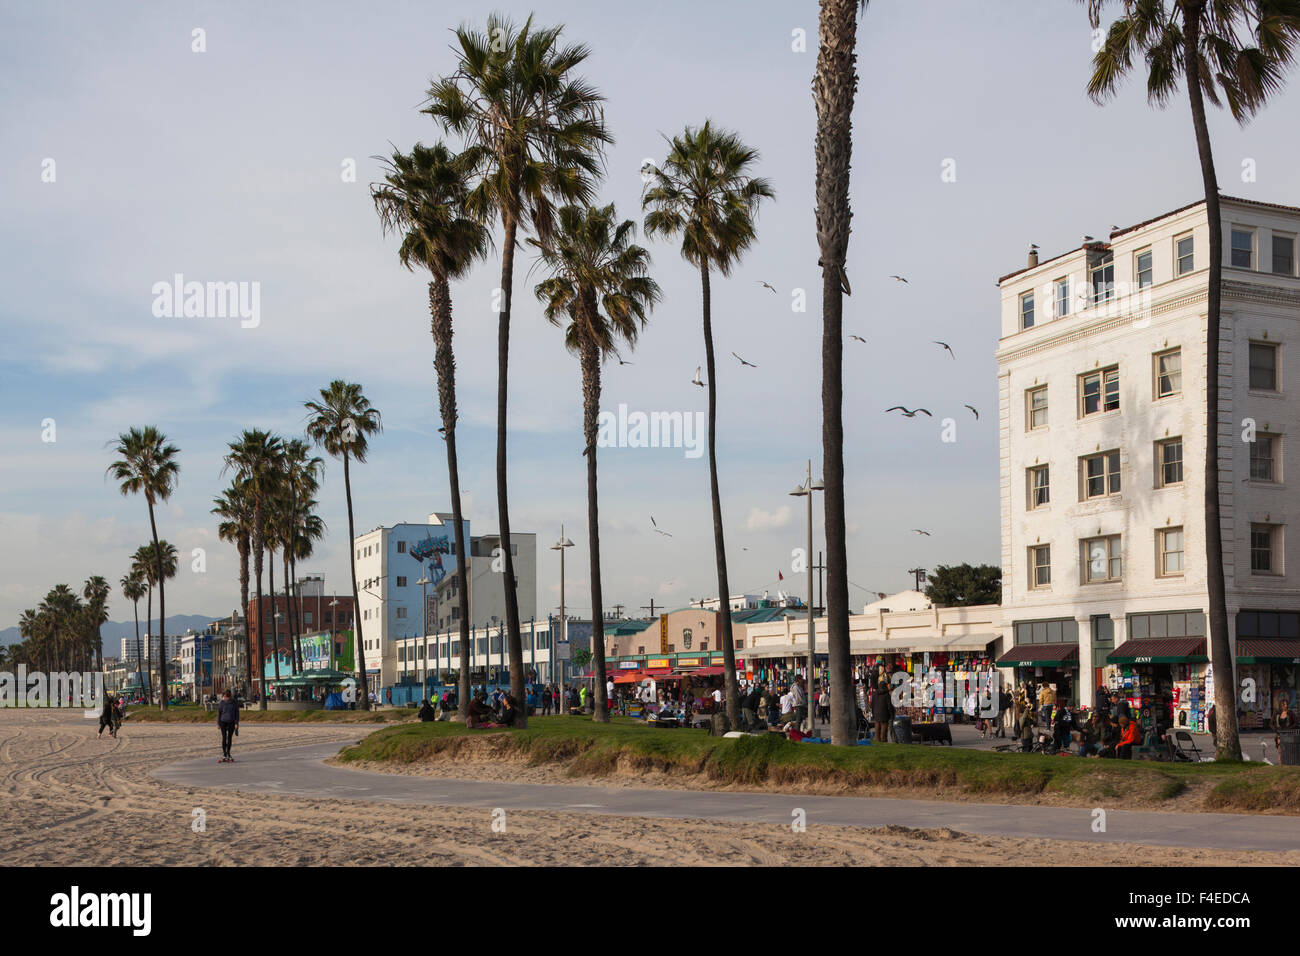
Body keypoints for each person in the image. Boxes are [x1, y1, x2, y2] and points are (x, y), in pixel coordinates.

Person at [217, 690, 239, 761]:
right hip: (223, 722)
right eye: (225, 697)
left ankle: (228, 753)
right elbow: (219, 714)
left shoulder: (234, 702)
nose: (226, 698)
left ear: (229, 696)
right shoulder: (222, 703)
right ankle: (224, 754)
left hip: (231, 722)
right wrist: (218, 723)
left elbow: (236, 713)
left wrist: (236, 723)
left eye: (227, 697)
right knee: (224, 737)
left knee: (229, 738)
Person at [870, 679, 893, 743]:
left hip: (876, 714)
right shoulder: (886, 695)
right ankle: (883, 740)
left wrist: (873, 713)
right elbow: (889, 706)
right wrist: (892, 714)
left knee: (877, 727)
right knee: (884, 728)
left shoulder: (874, 694)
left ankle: (877, 740)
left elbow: (872, 705)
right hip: (884, 714)